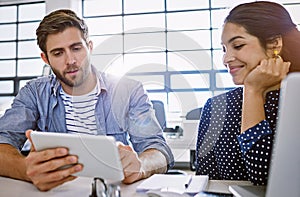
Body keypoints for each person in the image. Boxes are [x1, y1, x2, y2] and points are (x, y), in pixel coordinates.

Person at [0, 9, 174, 191]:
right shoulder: (34, 93)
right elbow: (3, 141)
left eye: (76, 48)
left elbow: (159, 151)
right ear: (46, 58)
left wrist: (141, 166)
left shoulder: (128, 90)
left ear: (89, 47)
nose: (71, 60)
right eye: (58, 53)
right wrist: (24, 169)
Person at [195, 1, 300, 186]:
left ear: (274, 44)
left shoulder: (295, 100)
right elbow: (204, 184)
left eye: (238, 45)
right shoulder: (216, 107)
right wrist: (252, 90)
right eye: (224, 49)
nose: (226, 59)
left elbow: (264, 177)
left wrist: (253, 91)